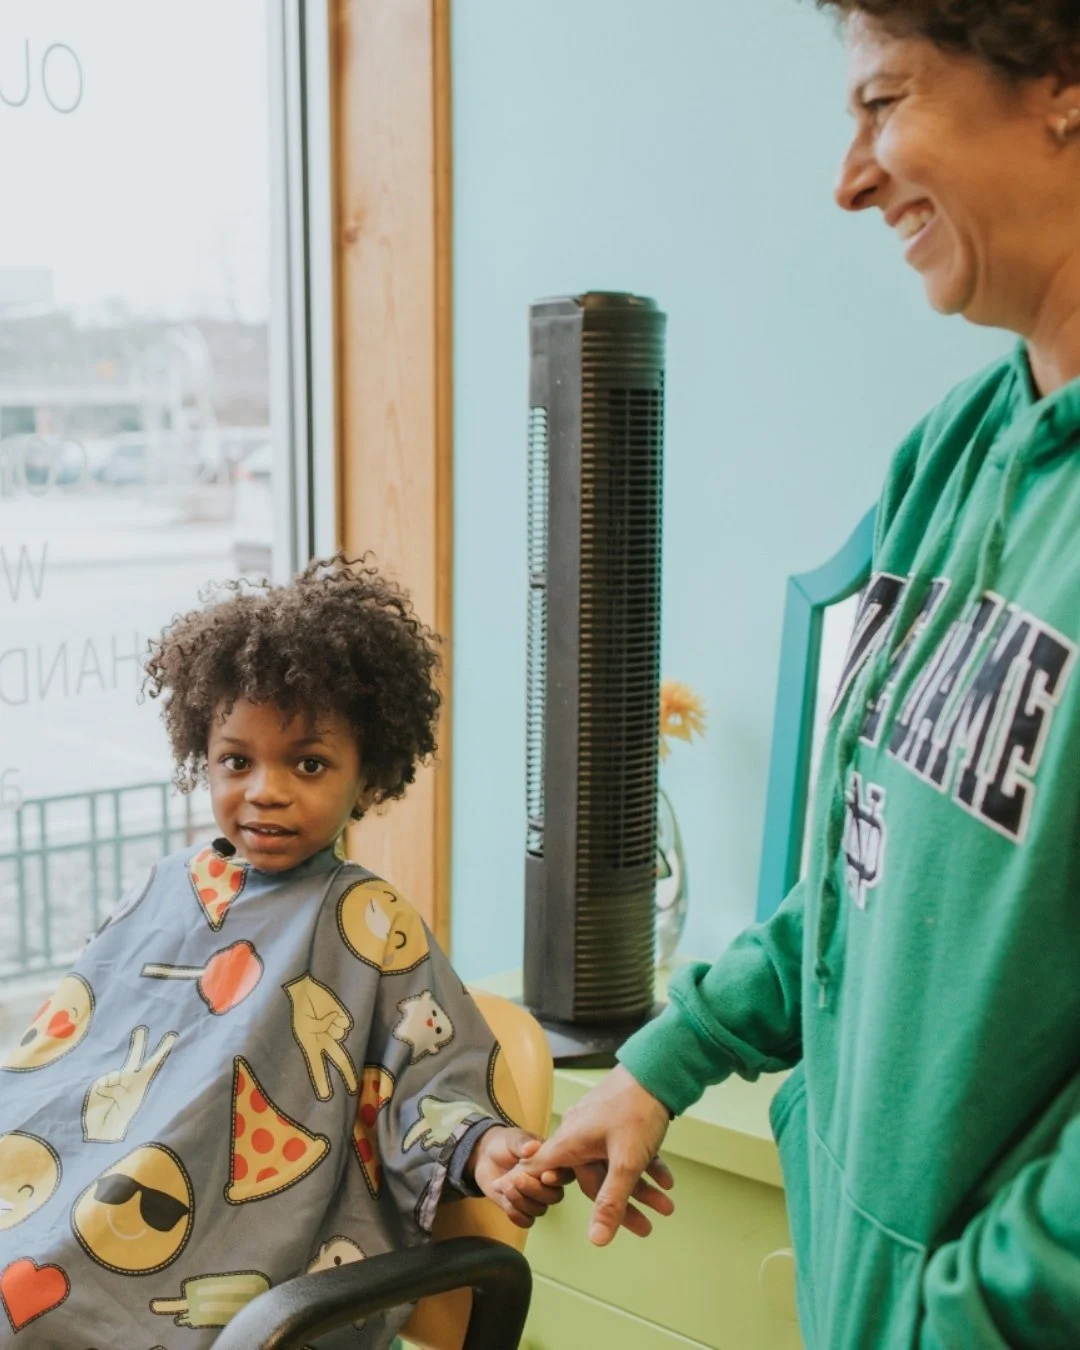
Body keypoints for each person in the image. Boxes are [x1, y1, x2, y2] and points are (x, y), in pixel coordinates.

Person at [503, 4, 1080, 1347]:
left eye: (886, 101)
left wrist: (958, 1314)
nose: (850, 175)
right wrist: (669, 1059)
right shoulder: (951, 453)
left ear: (1061, 82)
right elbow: (868, 861)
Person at [0, 556, 561, 1349]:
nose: (265, 789)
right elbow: (72, 1055)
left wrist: (487, 1147)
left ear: (368, 779)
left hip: (225, 1260)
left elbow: (431, 1082)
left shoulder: (369, 922)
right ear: (204, 754)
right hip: (77, 1209)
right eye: (237, 761)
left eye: (308, 763)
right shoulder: (170, 885)